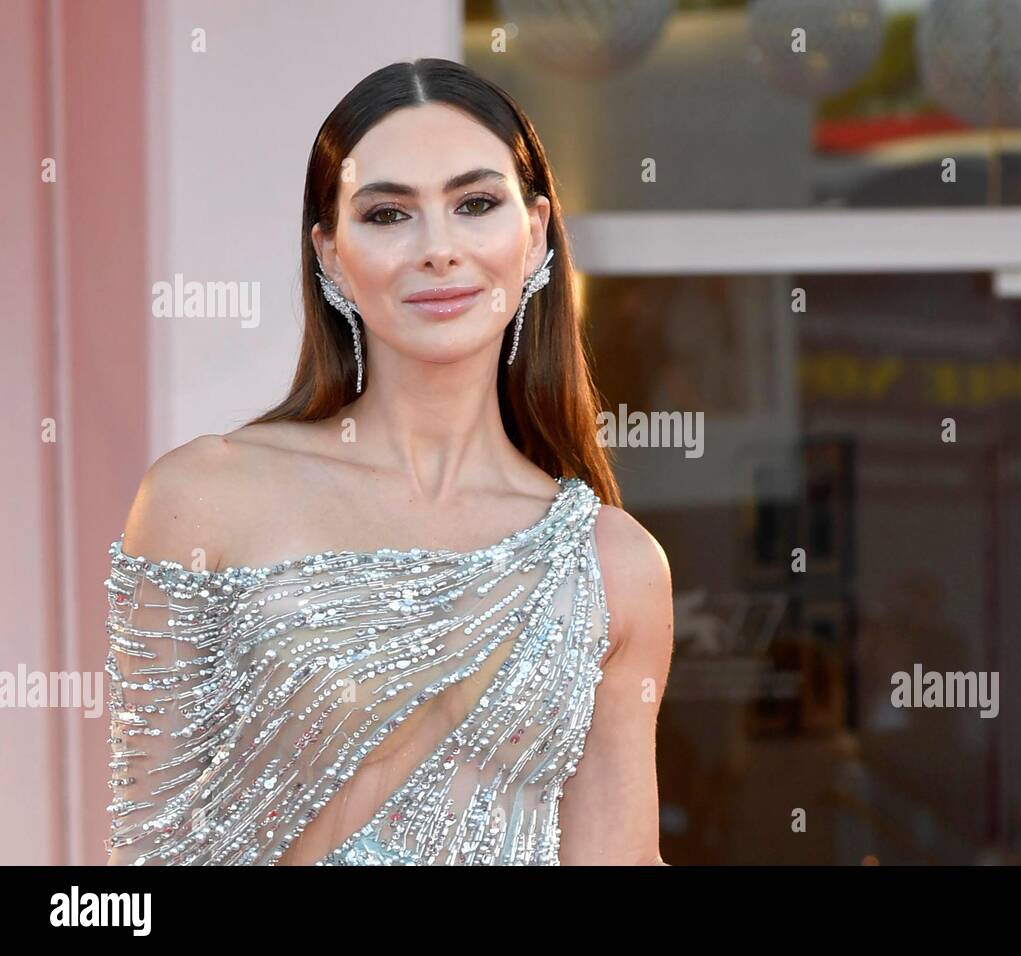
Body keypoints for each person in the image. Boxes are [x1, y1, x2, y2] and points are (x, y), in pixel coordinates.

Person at [103, 58, 673, 866]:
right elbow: (140, 863)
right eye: (388, 214)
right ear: (330, 254)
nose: (438, 249)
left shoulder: (612, 565)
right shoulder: (205, 498)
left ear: (535, 233)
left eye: (475, 204)